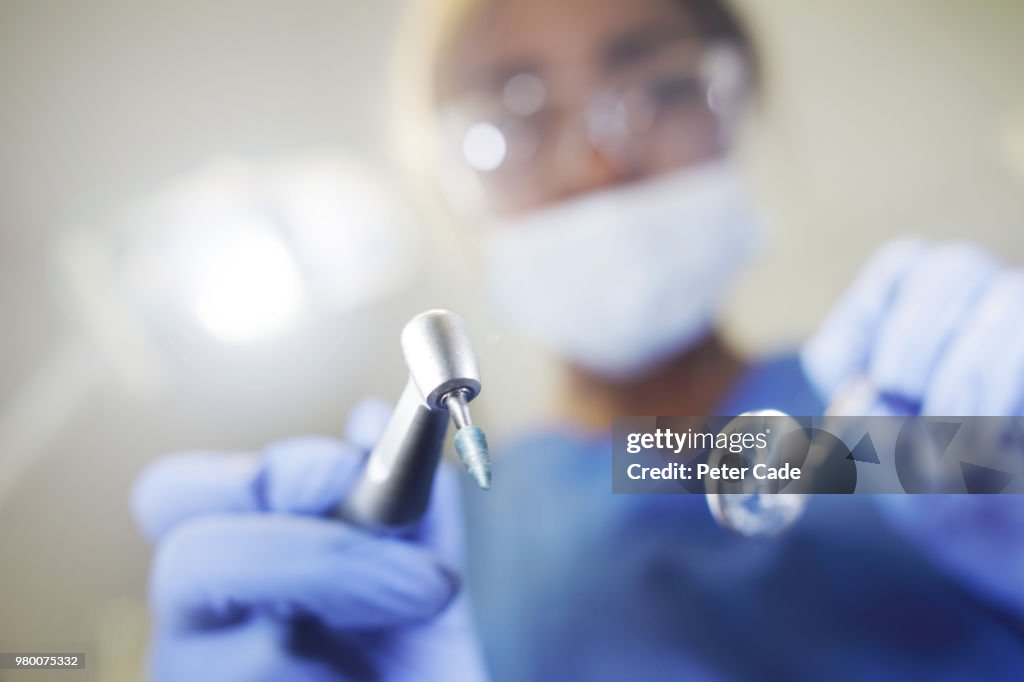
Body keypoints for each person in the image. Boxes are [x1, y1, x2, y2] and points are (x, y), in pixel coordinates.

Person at [131, 0, 1024, 679]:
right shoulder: (430, 536)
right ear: (449, 193)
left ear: (739, 108)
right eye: (513, 120)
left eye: (664, 87)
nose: (599, 160)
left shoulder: (914, 418)